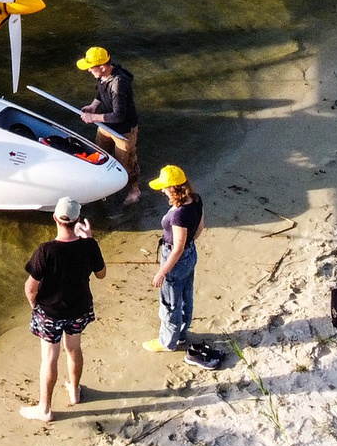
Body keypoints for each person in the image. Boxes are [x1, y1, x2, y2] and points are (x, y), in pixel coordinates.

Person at [20, 197, 105, 421]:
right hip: (78, 308)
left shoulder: (45, 251)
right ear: (78, 221)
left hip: (50, 312)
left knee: (49, 357)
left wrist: (36, 308)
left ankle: (45, 409)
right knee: (74, 348)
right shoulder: (89, 245)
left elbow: (30, 288)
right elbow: (101, 273)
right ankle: (74, 391)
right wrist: (89, 238)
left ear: (55, 218)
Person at [143, 164, 202, 352]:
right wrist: (189, 245)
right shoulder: (196, 199)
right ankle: (182, 335)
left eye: (165, 187)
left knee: (170, 302)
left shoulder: (178, 215)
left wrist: (162, 272)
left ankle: (166, 342)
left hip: (176, 258)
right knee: (186, 296)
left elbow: (177, 248)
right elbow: (200, 227)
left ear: (173, 188)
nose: (162, 190)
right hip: (191, 254)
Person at [73, 46, 141, 205]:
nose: (89, 70)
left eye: (91, 67)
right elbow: (100, 91)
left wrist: (93, 117)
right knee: (100, 153)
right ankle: (103, 185)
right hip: (106, 125)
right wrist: (93, 105)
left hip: (124, 131)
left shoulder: (119, 83)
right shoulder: (102, 75)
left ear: (102, 66)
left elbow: (119, 115)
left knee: (126, 162)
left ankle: (135, 190)